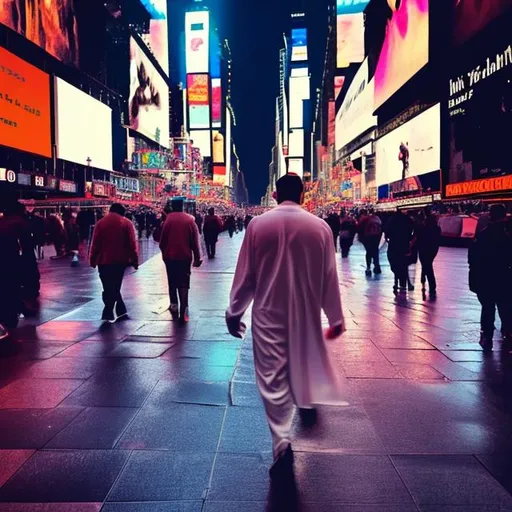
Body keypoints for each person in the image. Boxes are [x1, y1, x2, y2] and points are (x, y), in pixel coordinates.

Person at [226, 174, 346, 477]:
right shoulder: (320, 228)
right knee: (300, 365)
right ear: (303, 194)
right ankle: (303, 400)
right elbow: (329, 278)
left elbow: (246, 276)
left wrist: (234, 312)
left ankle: (281, 439)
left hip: (267, 314)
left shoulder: (257, 225)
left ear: (276, 194)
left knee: (271, 379)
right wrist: (336, 317)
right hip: (305, 313)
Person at [468, 204, 512, 351]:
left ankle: (487, 336)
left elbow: (472, 259)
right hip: (503, 277)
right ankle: (508, 331)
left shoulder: (481, 235)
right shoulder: (507, 236)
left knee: (487, 307)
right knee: (505, 306)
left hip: (485, 278)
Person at [90, 203, 139, 323]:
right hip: (119, 260)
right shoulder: (126, 223)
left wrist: (92, 259)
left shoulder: (100, 223)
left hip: (103, 260)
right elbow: (132, 244)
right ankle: (110, 310)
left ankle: (115, 309)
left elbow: (95, 243)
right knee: (115, 286)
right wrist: (134, 260)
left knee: (108, 286)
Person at [0, 196, 39, 335]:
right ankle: (12, 315)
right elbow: (27, 245)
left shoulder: (3, 222)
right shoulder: (20, 223)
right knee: (13, 288)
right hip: (15, 261)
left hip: (4, 262)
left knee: (5, 289)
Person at [159, 198, 202, 324]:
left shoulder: (168, 220)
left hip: (170, 257)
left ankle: (174, 305)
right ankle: (184, 306)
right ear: (183, 206)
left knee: (172, 280)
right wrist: (197, 257)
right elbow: (195, 242)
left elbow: (162, 242)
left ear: (172, 206)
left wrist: (165, 253)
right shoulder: (190, 220)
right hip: (185, 256)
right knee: (184, 281)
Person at [386, 209, 414, 294]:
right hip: (404, 244)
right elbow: (412, 230)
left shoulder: (392, 220)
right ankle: (403, 283)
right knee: (403, 264)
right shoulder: (407, 219)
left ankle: (396, 281)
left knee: (395, 263)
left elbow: (387, 232)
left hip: (393, 244)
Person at [416, 207, 441, 298]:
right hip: (433, 248)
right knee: (428, 264)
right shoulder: (436, 227)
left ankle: (427, 283)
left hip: (423, 248)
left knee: (426, 265)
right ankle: (429, 284)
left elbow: (418, 236)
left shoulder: (422, 226)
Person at [358, 209, 383, 276]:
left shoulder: (365, 219)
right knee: (375, 250)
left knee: (369, 252)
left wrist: (361, 238)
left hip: (368, 237)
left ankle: (369, 268)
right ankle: (377, 266)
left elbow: (359, 227)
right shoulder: (377, 218)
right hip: (376, 236)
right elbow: (381, 227)